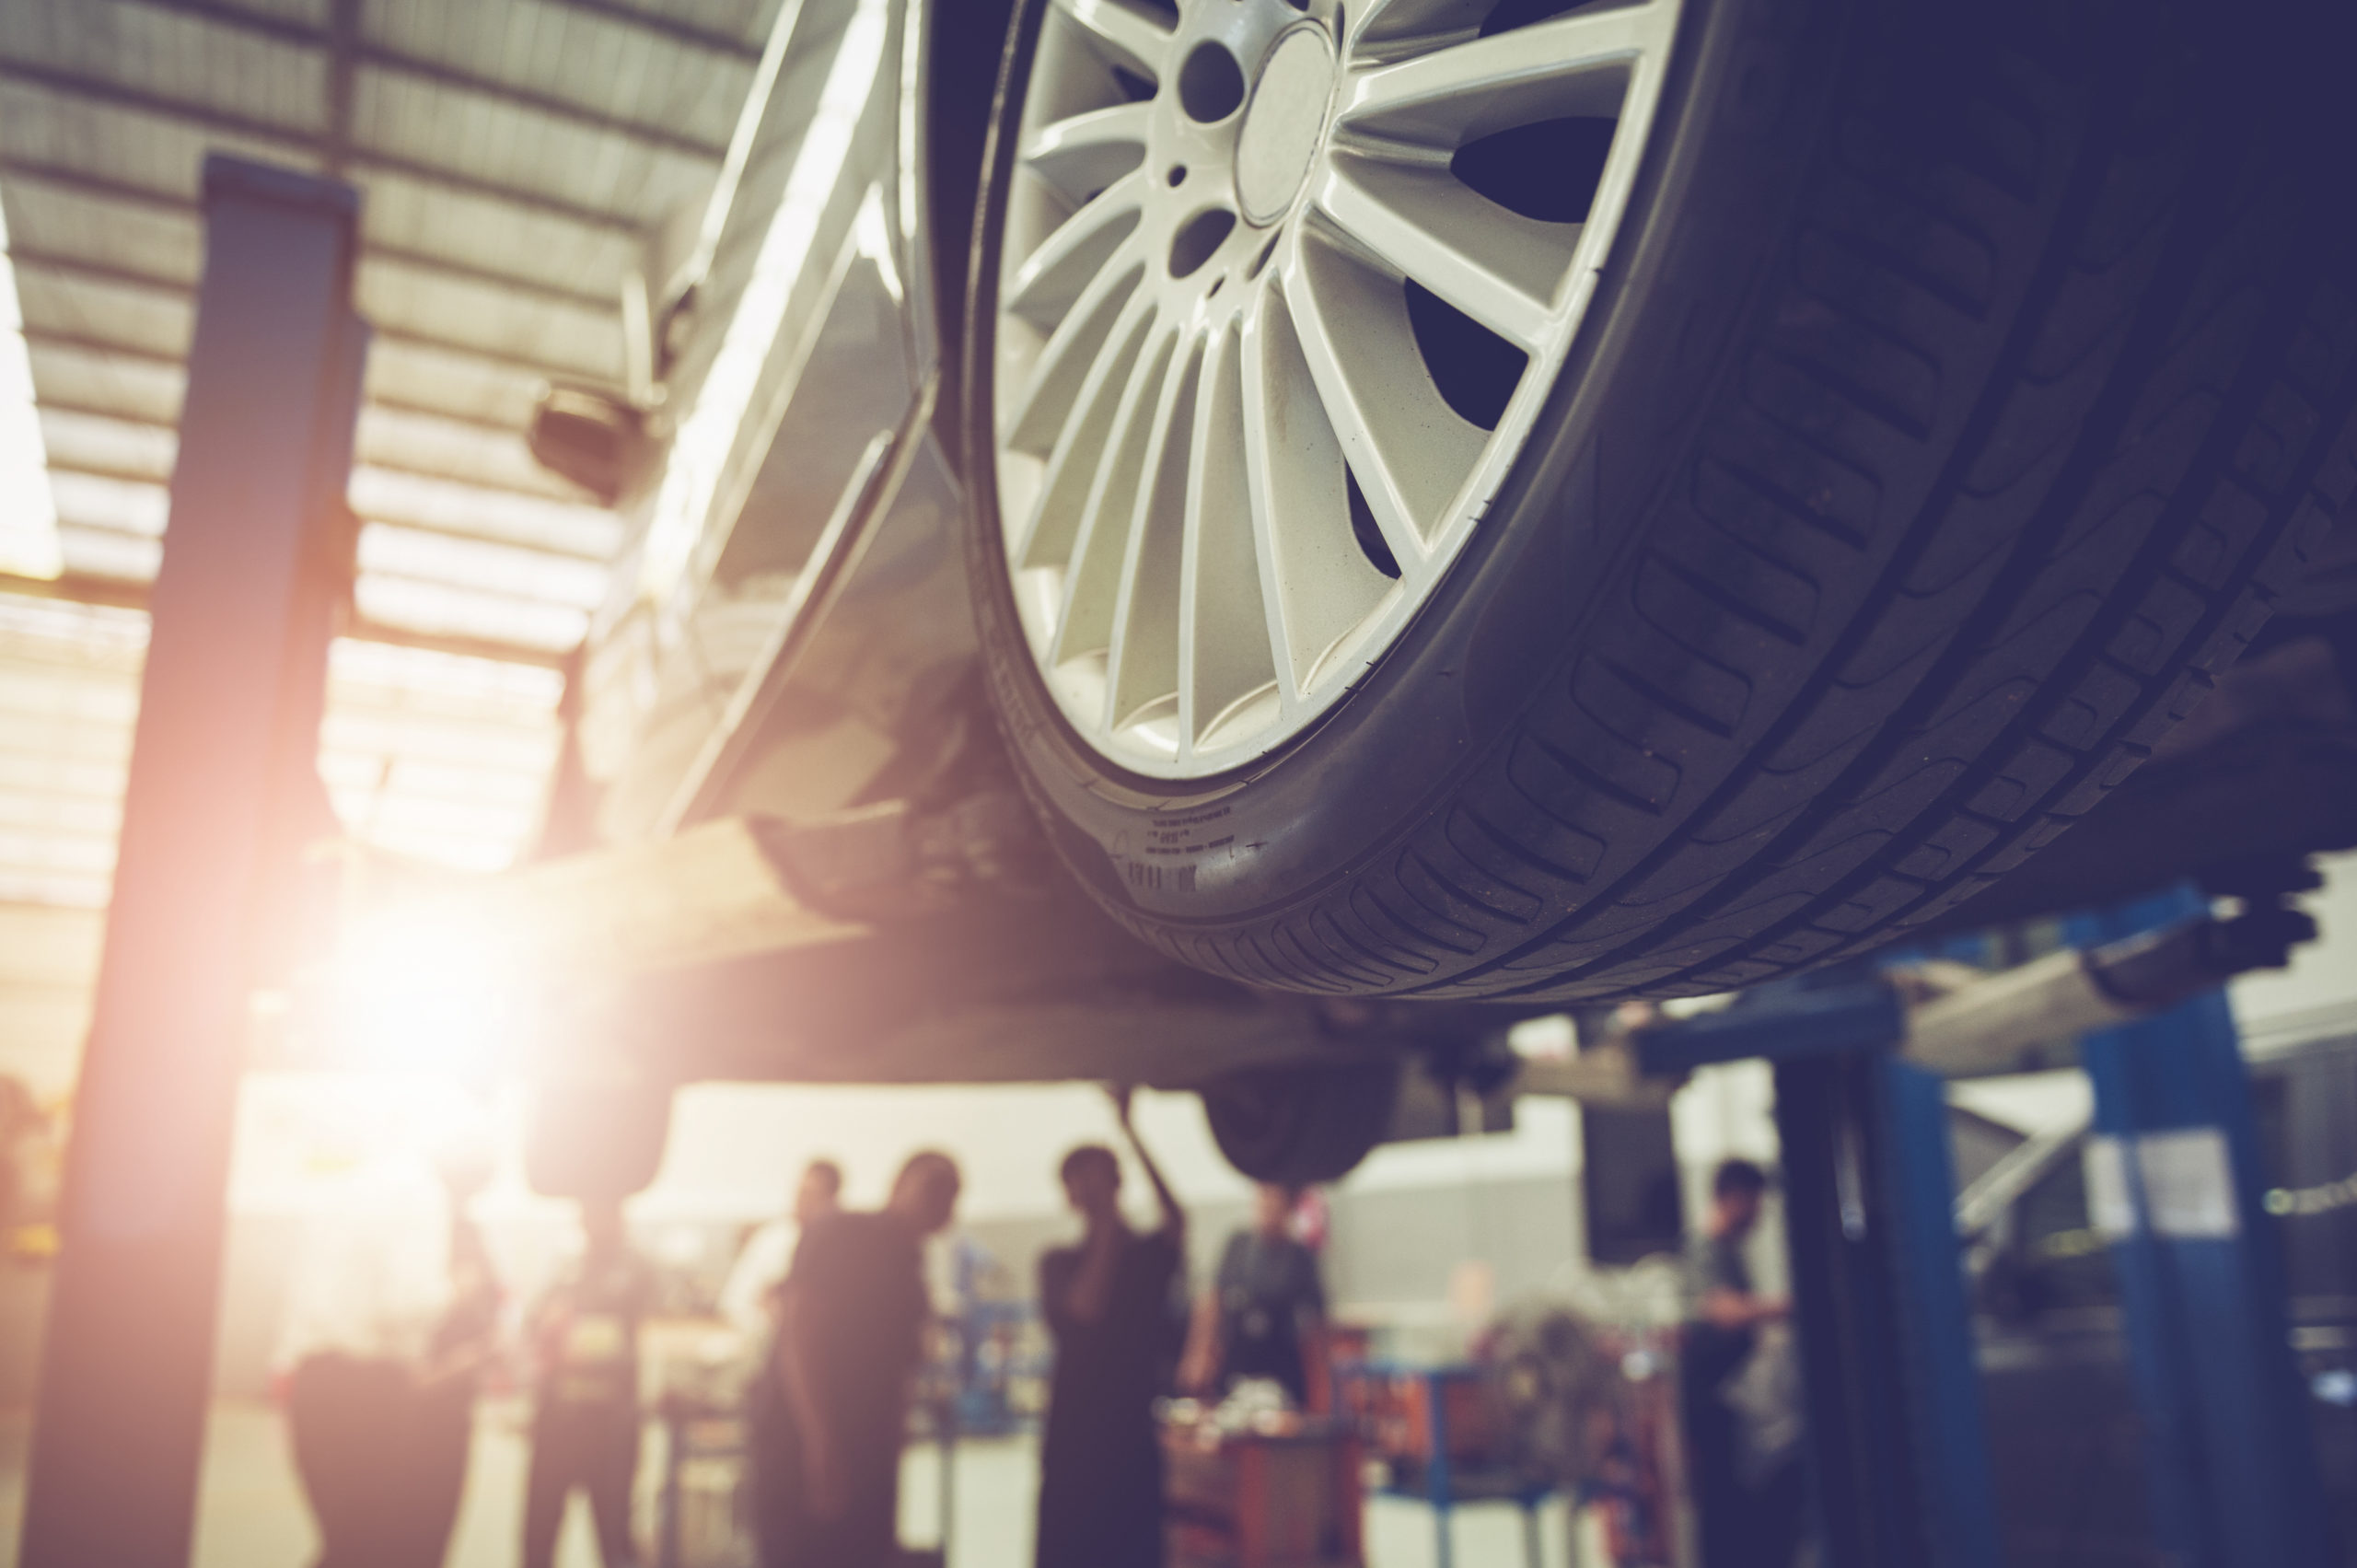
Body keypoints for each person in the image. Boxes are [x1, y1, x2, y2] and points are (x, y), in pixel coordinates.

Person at [763, 1150, 962, 1568]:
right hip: (807, 1441)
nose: (939, 1201)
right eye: (932, 1187)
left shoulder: (911, 1269)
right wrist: (820, 1441)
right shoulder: (839, 1233)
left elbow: (899, 1371)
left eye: (949, 1193)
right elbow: (799, 1338)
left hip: (869, 1452)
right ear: (899, 1185)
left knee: (863, 1551)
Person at [1035, 1088, 1186, 1568]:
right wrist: (1106, 1221)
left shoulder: (1144, 1257)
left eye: (1100, 1180)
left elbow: (1177, 1218)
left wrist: (1131, 1133)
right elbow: (1088, 1307)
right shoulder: (1058, 1263)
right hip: (1075, 1442)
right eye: (1082, 1183)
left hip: (1130, 1436)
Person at [523, 1197, 651, 1568]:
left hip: (610, 1424)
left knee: (614, 1535)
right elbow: (534, 1322)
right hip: (558, 1420)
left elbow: (652, 1336)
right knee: (538, 1534)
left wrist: (584, 1342)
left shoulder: (638, 1271)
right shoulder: (567, 1268)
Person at [1680, 1158, 1792, 1568]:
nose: (1759, 1214)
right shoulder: (1704, 1248)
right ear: (1735, 1198)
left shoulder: (1727, 1251)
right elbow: (1722, 1311)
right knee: (1723, 1507)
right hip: (1712, 1404)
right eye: (1756, 1202)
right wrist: (1785, 1308)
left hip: (1731, 1402)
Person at [1180, 1182, 1326, 1406]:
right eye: (1263, 1199)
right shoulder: (1237, 1246)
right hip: (1238, 1361)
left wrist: (1321, 1387)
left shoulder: (1300, 1258)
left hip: (1282, 1367)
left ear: (1288, 1209)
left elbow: (1316, 1326)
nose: (1268, 1208)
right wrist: (1197, 1357)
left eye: (1276, 1203)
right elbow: (1211, 1302)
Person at [721, 1157, 842, 1343]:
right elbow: (733, 1301)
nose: (802, 1202)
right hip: (761, 1341)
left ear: (832, 1200)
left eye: (812, 1196)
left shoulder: (840, 1247)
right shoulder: (772, 1238)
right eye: (801, 1193)